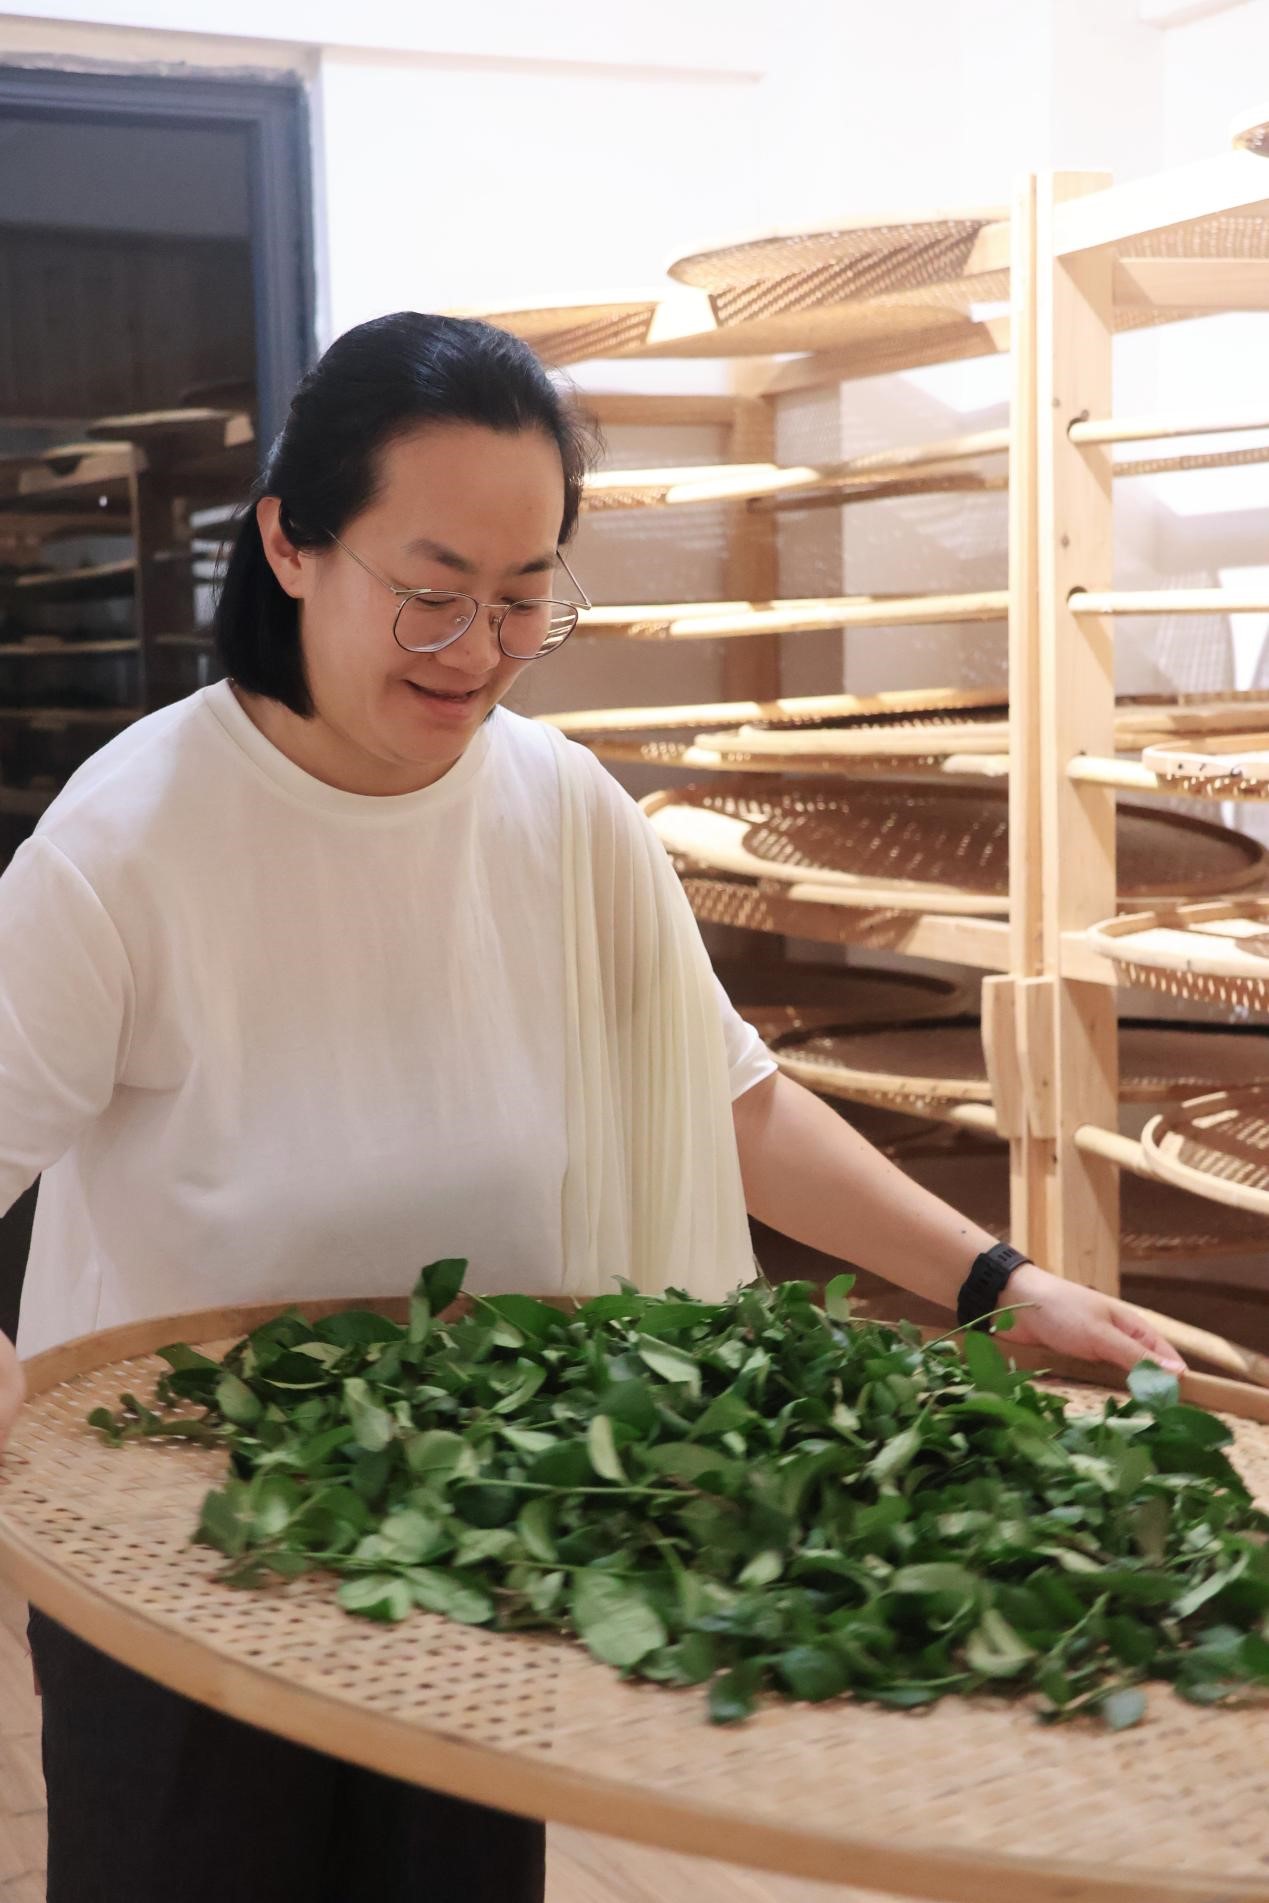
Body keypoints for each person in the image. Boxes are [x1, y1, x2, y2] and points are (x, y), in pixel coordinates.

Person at [0, 312, 1183, 1903]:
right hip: (191, 1566)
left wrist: (997, 1282)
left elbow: (733, 1101)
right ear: (289, 543)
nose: (476, 650)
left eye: (522, 597)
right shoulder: (128, 847)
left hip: (474, 1552)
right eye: (428, 594)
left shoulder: (561, 814)